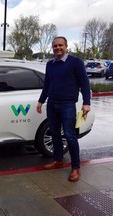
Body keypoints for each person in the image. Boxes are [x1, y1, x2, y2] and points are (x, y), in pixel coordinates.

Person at [36, 36, 91, 182]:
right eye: (55, 46)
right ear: (52, 48)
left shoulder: (75, 62)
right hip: (52, 104)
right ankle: (58, 160)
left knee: (70, 135)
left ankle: (75, 167)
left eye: (60, 45)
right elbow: (47, 84)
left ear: (66, 46)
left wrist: (87, 102)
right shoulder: (50, 65)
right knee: (55, 134)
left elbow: (84, 83)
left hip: (67, 105)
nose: (58, 48)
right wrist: (41, 101)